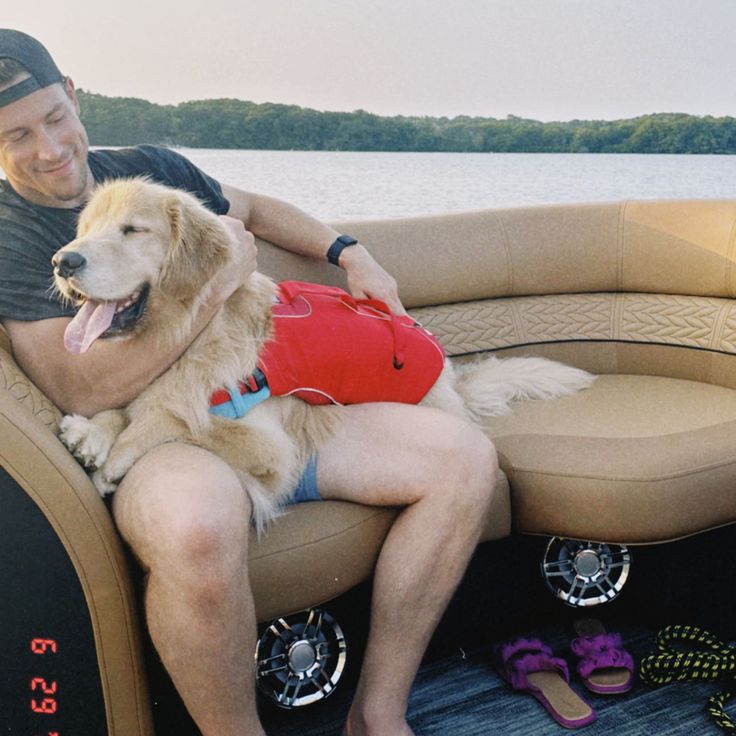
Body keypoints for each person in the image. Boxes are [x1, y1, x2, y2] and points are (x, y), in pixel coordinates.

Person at [0, 29, 498, 736]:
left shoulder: (145, 171)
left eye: (54, 118)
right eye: (18, 134)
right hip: (163, 433)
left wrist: (351, 254)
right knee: (195, 527)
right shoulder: (10, 230)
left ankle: (379, 715)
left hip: (277, 408)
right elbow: (84, 390)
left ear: (75, 98)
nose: (49, 148)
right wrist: (220, 281)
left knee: (463, 460)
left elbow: (254, 212)